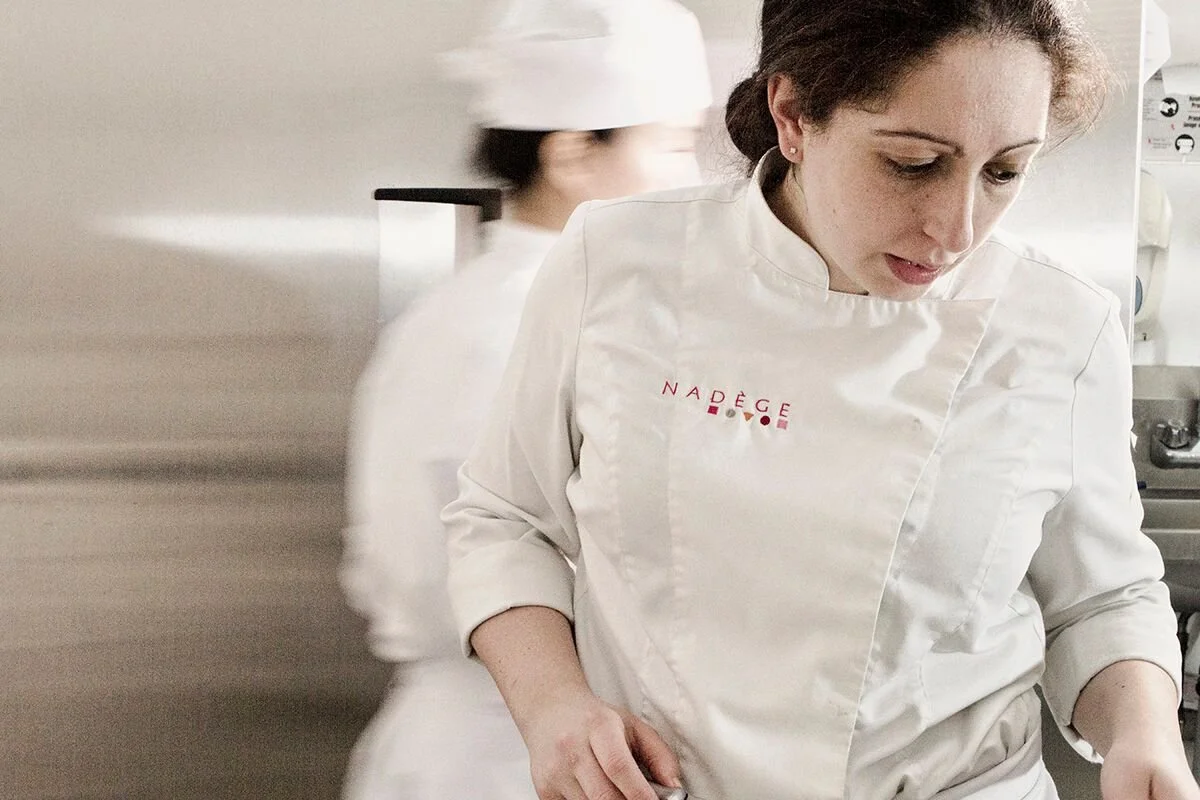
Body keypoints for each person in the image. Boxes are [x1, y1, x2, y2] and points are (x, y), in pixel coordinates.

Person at [443, 1, 1200, 798]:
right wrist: (552, 706)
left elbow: (1101, 596)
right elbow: (505, 518)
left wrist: (1144, 733)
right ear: (794, 115)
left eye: (1006, 171)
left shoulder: (1062, 324)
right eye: (912, 163)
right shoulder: (619, 260)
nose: (956, 229)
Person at [338, 1, 711, 798]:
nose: (691, 178)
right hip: (505, 747)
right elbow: (483, 560)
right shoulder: (511, 326)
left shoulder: (508, 307)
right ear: (575, 154)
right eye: (673, 146)